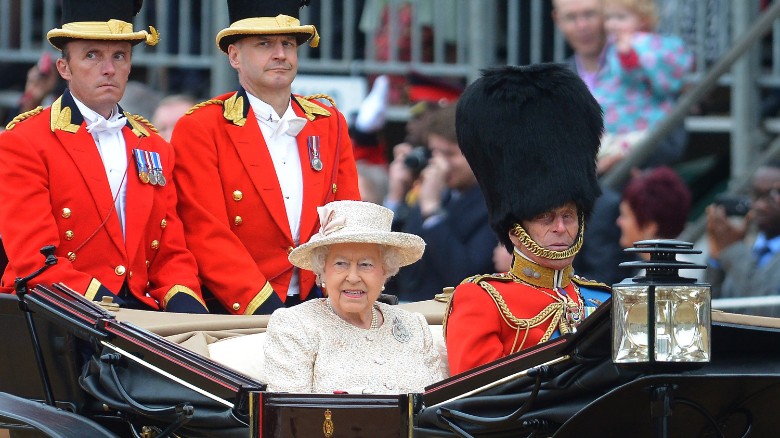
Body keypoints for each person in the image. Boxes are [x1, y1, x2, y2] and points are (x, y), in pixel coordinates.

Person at [0, 0, 207, 313]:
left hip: (139, 317)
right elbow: (35, 261)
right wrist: (113, 310)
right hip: (58, 314)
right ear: (64, 68)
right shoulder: (24, 142)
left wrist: (190, 313)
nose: (109, 68)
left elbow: (170, 254)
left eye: (119, 56)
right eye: (92, 55)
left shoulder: (154, 147)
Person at [171, 0, 360, 315]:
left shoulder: (329, 121)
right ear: (234, 56)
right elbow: (206, 233)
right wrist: (266, 310)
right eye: (264, 44)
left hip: (322, 304)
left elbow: (349, 216)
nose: (281, 54)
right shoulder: (202, 127)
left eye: (288, 43)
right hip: (241, 311)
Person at [444, 64, 612, 376]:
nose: (561, 228)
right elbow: (477, 398)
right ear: (516, 231)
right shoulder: (484, 298)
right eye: (545, 217)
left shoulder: (604, 300)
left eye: (568, 216)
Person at [263, 200, 443, 394]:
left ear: (385, 271)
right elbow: (289, 416)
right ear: (322, 271)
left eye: (366, 264)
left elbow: (437, 407)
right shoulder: (295, 326)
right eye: (341, 264)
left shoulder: (415, 327)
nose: (353, 277)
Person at [386, 103, 496, 302]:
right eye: (434, 153)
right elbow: (393, 263)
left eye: (449, 154)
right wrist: (396, 198)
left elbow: (466, 275)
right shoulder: (437, 192)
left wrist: (432, 210)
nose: (440, 164)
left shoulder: (494, 203)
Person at [596, 0, 693, 175]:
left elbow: (639, 71)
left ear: (642, 20)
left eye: (621, 17)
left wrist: (628, 57)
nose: (612, 24)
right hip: (625, 122)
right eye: (608, 17)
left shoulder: (638, 43)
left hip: (637, 123)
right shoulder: (621, 43)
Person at [706, 160, 780, 316]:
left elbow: (766, 311)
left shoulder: (738, 250)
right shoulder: (746, 247)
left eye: (773, 195)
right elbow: (708, 310)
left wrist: (731, 248)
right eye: (756, 195)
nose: (760, 205)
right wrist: (716, 258)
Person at [617, 166, 701, 279]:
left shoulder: (668, 274)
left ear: (649, 226)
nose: (619, 222)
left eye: (625, 216)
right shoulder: (662, 268)